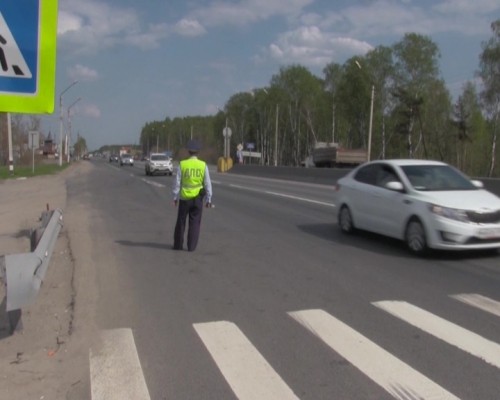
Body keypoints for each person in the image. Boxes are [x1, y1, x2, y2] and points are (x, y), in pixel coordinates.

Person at [172, 139, 212, 251]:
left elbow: (177, 182)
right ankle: (191, 246)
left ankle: (178, 245)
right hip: (198, 199)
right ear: (198, 152)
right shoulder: (203, 165)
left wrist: (175, 197)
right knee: (195, 223)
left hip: (185, 198)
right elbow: (207, 183)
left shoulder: (183, 164)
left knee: (181, 222)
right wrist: (209, 199)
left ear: (188, 151)